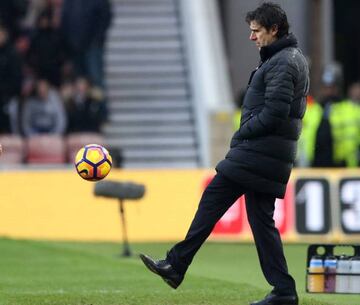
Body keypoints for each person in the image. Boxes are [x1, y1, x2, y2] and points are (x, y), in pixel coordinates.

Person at [140, 3, 309, 305]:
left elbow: (275, 113)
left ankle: (176, 264)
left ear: (274, 30)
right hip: (265, 156)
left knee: (214, 198)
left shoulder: (283, 62)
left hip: (257, 154)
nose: (252, 37)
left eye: (256, 31)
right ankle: (284, 291)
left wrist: (242, 132)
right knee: (261, 223)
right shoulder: (283, 58)